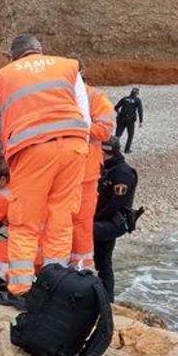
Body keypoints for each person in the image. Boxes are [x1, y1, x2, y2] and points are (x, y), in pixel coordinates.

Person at [0, 33, 90, 307]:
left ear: (12, 57)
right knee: (60, 218)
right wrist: (80, 144)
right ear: (40, 51)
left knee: (24, 221)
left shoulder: (3, 75)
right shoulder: (67, 66)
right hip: (74, 148)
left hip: (33, 152)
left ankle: (21, 291)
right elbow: (85, 115)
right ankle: (54, 285)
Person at [70, 85, 115, 269]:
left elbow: (105, 131)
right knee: (57, 221)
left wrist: (76, 126)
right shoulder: (55, 92)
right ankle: (57, 269)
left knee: (80, 224)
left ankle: (81, 269)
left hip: (84, 172)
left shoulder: (94, 97)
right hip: (61, 169)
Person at [93, 137, 139, 299]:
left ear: (106, 152)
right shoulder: (107, 168)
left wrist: (92, 219)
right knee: (100, 259)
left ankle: (107, 298)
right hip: (102, 219)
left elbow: (115, 205)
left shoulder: (122, 173)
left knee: (103, 261)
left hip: (111, 222)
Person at [113, 87, 143, 153]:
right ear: (137, 93)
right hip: (130, 120)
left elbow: (116, 107)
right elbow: (140, 111)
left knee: (118, 134)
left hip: (121, 119)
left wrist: (119, 113)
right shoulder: (137, 100)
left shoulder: (124, 99)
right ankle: (127, 149)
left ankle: (114, 149)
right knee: (130, 135)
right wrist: (140, 121)